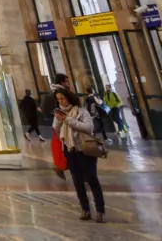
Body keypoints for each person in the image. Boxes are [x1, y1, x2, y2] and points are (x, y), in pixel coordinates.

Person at [53, 88, 106, 223]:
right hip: (70, 151)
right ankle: (85, 209)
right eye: (58, 99)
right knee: (77, 181)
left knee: (92, 179)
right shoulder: (58, 113)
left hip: (85, 150)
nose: (61, 101)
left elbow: (88, 128)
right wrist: (59, 120)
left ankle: (100, 210)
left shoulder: (82, 111)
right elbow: (58, 132)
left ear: (69, 98)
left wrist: (68, 120)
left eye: (63, 98)